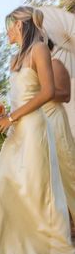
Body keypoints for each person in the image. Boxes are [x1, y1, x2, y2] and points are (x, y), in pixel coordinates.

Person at [0, 6, 75, 254]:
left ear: (22, 25)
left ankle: (61, 252)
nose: (7, 30)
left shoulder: (39, 49)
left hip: (35, 130)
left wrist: (12, 117)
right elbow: (20, 96)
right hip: (17, 131)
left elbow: (49, 92)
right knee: (3, 186)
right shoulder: (15, 58)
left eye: (10, 24)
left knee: (43, 192)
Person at [43, 38, 75, 237]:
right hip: (42, 124)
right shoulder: (39, 70)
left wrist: (42, 92)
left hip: (55, 120)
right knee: (51, 175)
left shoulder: (55, 64)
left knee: (67, 170)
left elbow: (65, 95)